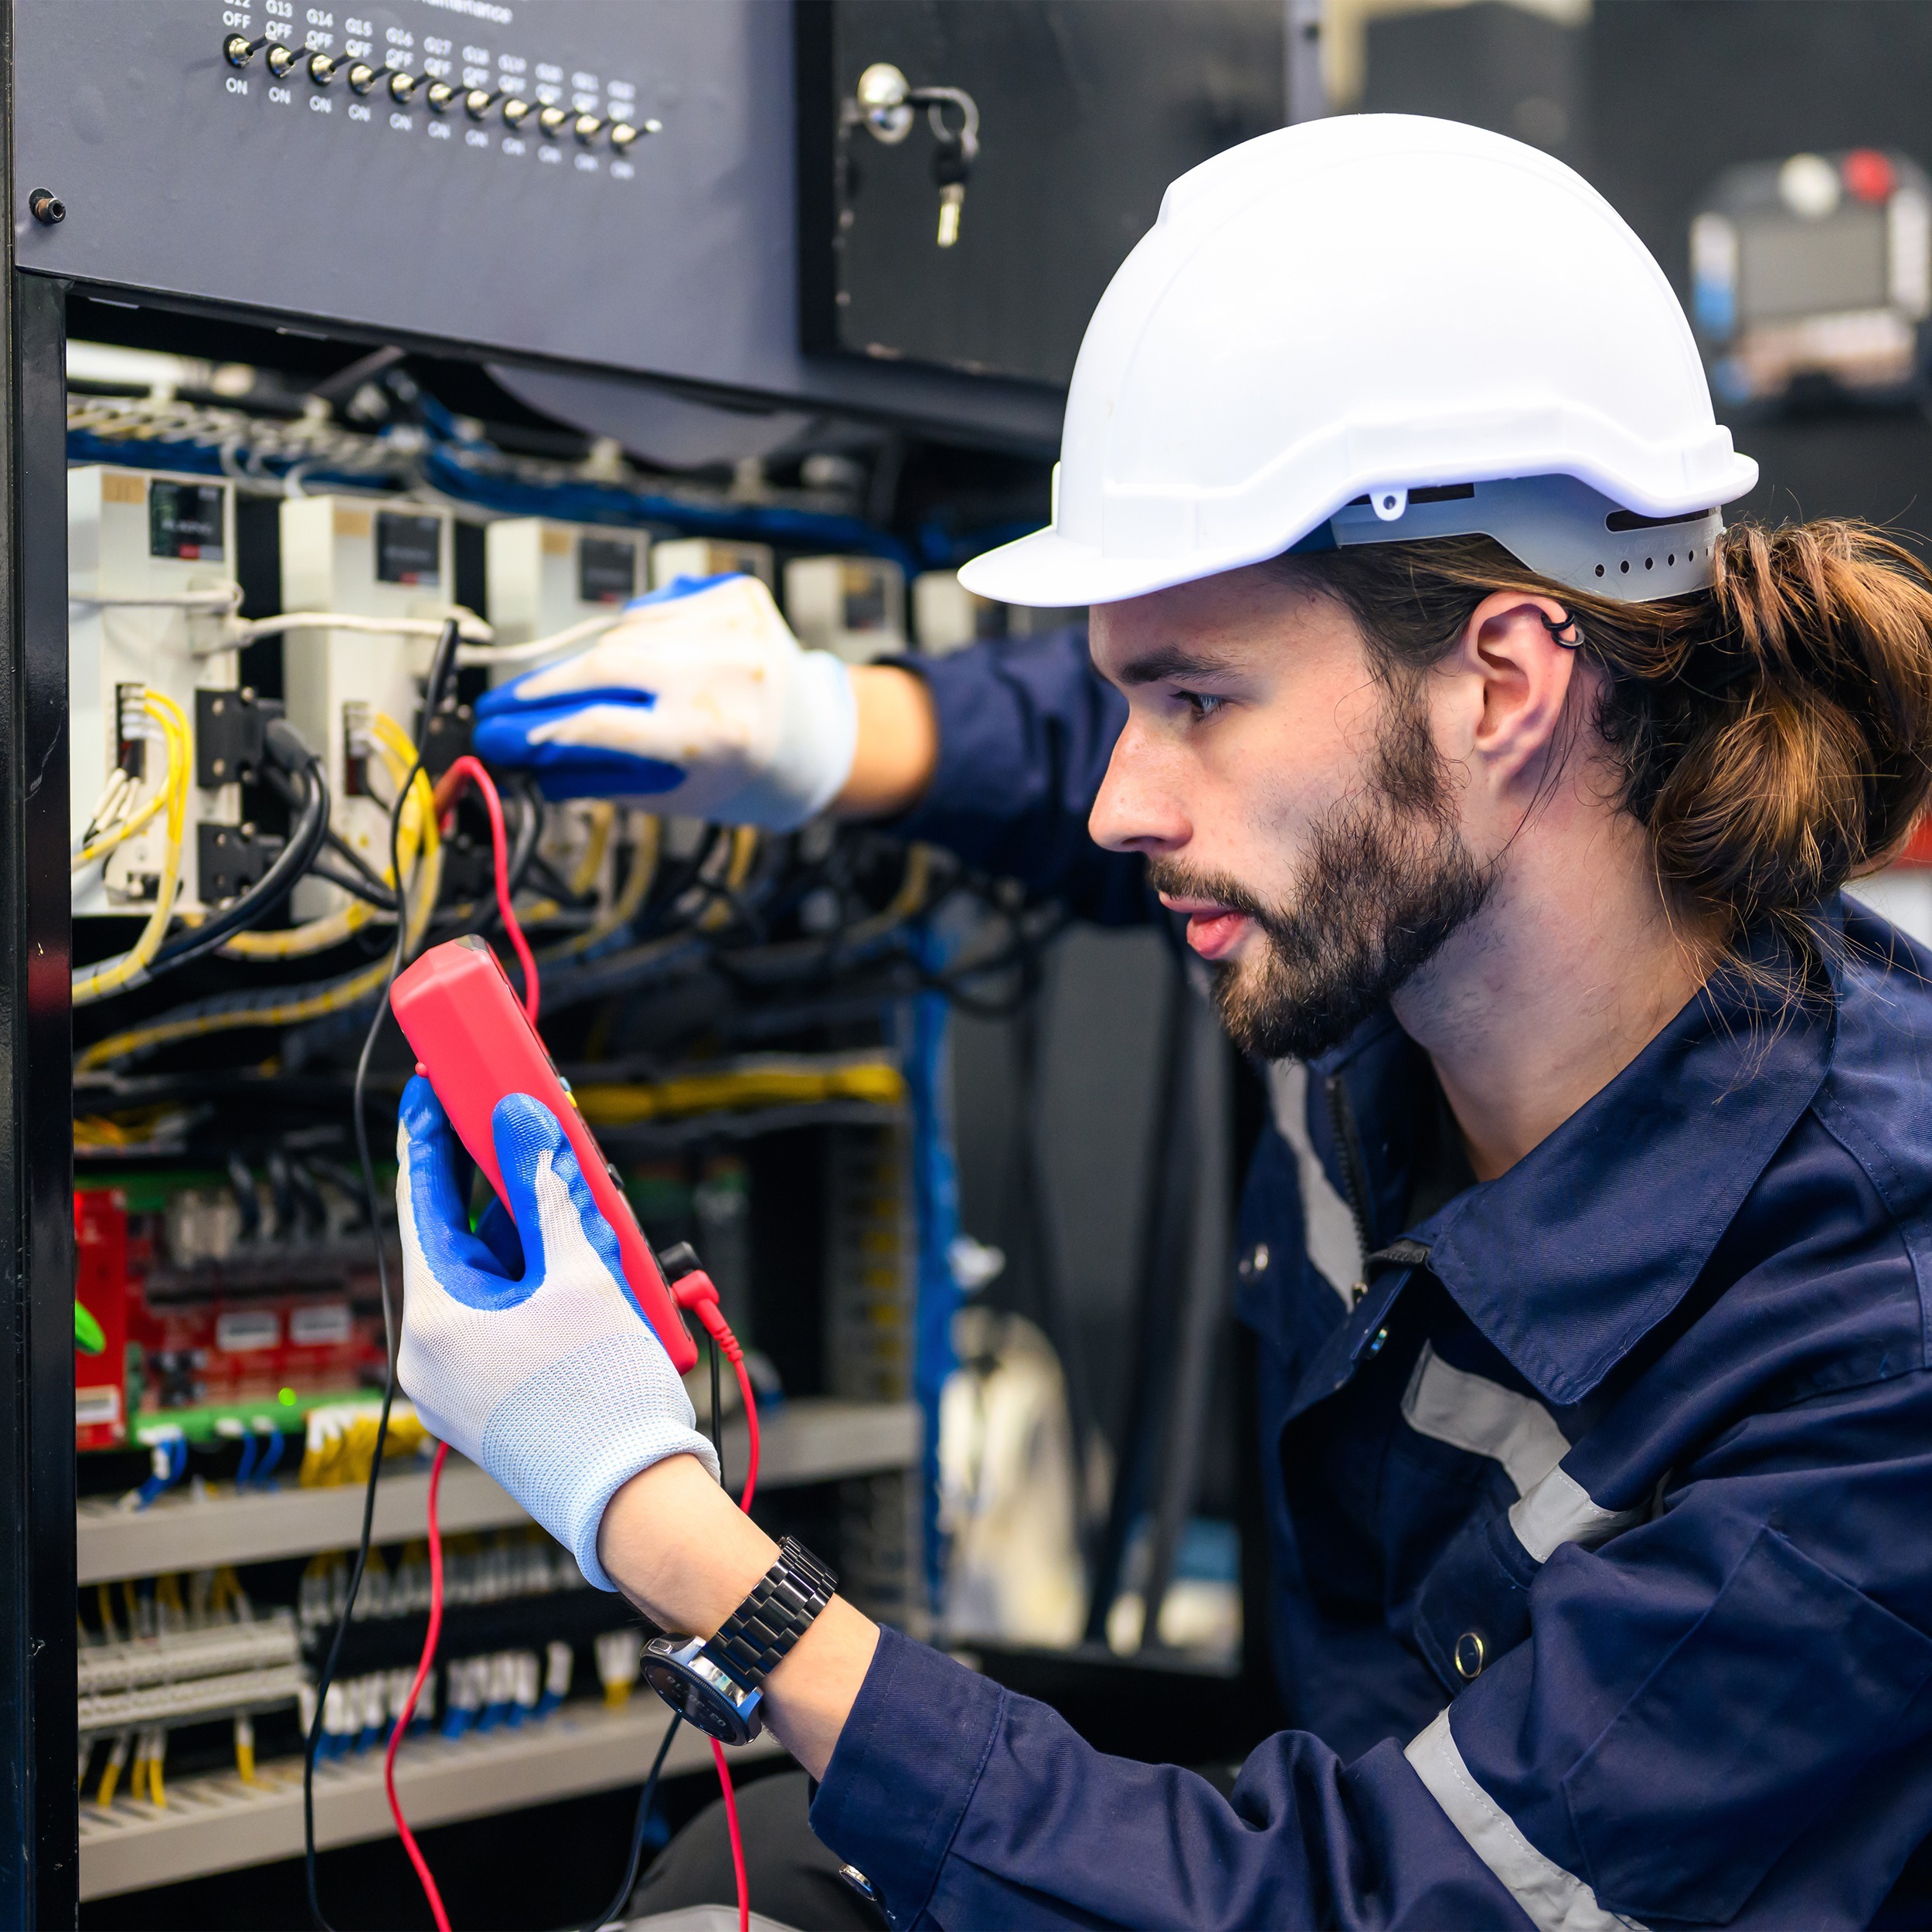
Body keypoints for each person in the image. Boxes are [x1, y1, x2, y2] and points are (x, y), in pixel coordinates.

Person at [397, 117, 1932, 1929]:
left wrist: (655, 1517)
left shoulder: (1868, 1339)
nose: (1124, 796)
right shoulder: (1396, 917)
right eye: (1135, 687)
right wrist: (832, 730)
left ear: (1507, 681)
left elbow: (1363, 1906)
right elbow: (1121, 730)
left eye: (1192, 698)